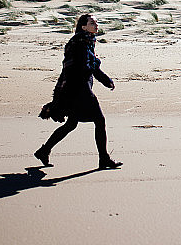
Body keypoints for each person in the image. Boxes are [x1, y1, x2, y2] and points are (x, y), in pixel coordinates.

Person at [34, 14, 122, 170]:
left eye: (96, 22)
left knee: (71, 124)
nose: (96, 24)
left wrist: (105, 80)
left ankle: (44, 150)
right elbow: (84, 67)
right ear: (83, 27)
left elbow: (91, 67)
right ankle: (104, 159)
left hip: (76, 88)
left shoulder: (87, 42)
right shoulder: (79, 43)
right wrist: (97, 62)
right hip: (80, 89)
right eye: (92, 22)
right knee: (99, 121)